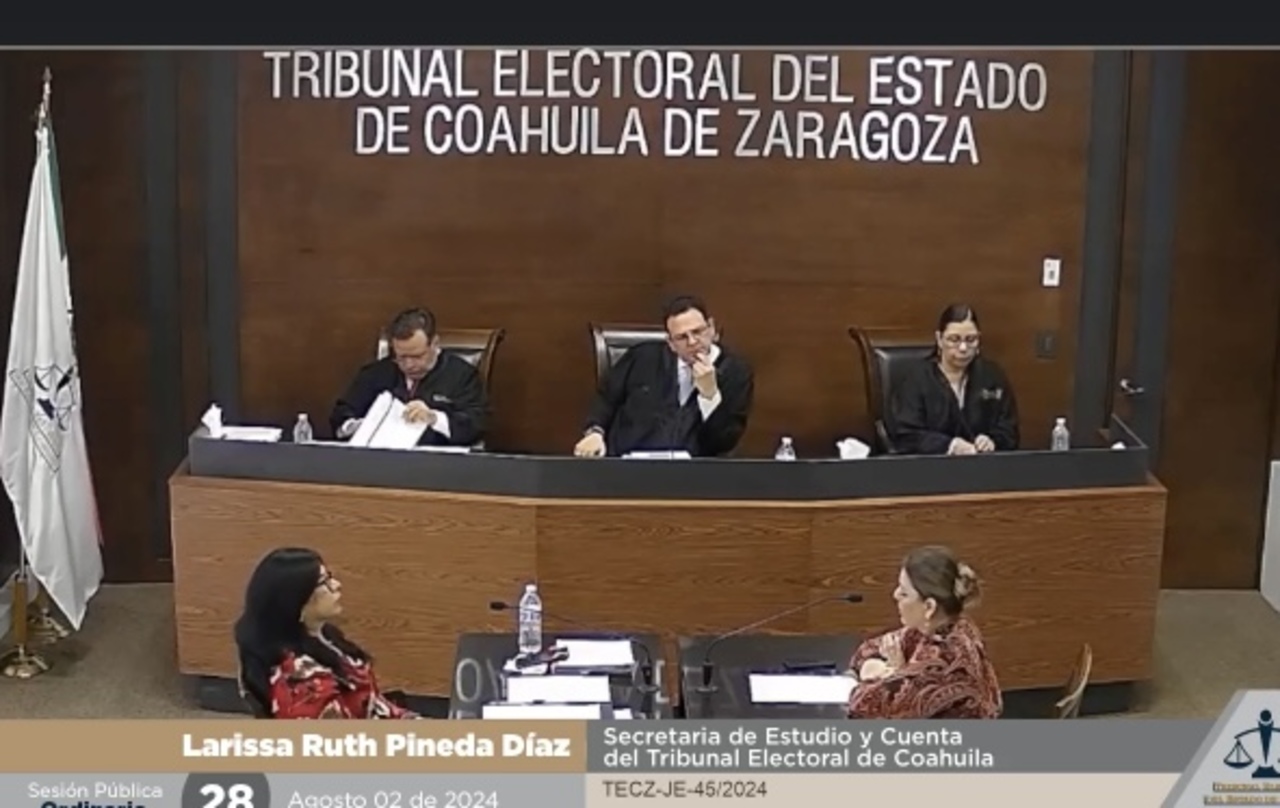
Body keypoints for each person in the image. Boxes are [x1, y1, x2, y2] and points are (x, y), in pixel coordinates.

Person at [234, 547, 418, 719]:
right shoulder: (304, 681)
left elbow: (376, 705)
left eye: (330, 577)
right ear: (296, 600)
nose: (337, 585)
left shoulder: (325, 636)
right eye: (324, 582)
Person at [573, 295, 754, 458]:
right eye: (682, 337)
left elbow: (724, 443)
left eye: (698, 332)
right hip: (627, 465)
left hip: (694, 473)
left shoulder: (736, 372)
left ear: (712, 329)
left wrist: (709, 395)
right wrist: (595, 432)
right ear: (671, 343)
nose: (692, 342)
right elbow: (607, 398)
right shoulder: (643, 357)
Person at [847, 545, 1002, 720]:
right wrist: (886, 670)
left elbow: (861, 705)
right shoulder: (939, 626)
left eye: (904, 593)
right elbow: (866, 650)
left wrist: (891, 672)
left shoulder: (944, 663)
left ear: (929, 607)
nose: (895, 595)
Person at [329, 308, 488, 446]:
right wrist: (358, 426)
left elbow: (477, 424)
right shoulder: (376, 373)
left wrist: (434, 418)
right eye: (401, 357)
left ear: (434, 344)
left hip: (437, 463)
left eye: (417, 356)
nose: (409, 365)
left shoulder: (462, 375)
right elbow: (341, 415)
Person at [887, 303, 1019, 455]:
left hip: (983, 463)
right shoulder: (916, 379)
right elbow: (906, 435)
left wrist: (993, 441)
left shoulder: (992, 376)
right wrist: (949, 446)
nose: (963, 348)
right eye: (954, 339)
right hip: (932, 464)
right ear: (939, 339)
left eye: (971, 339)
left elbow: (1009, 430)